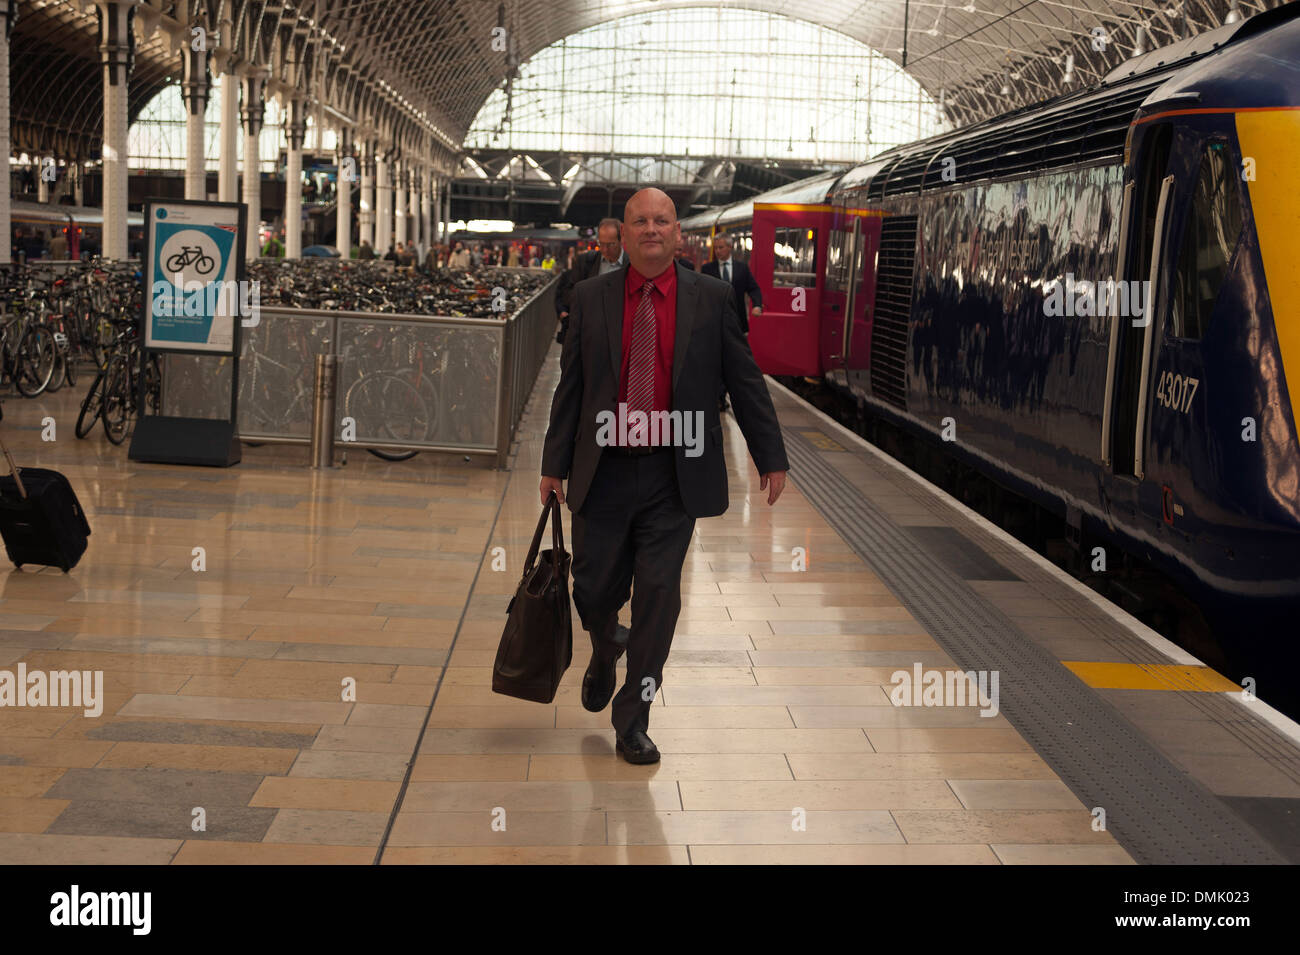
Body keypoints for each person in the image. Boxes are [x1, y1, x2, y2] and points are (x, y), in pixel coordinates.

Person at [539, 187, 789, 765]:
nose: (651, 229)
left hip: (673, 474)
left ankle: (634, 717)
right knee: (593, 590)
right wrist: (553, 466)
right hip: (600, 471)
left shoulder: (714, 298)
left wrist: (769, 453)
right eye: (640, 221)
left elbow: (744, 381)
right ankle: (604, 648)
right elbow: (570, 389)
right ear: (621, 235)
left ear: (678, 234)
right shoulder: (590, 295)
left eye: (662, 221)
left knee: (659, 595)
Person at [702, 234, 764, 412]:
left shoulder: (742, 269)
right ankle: (720, 397)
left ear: (729, 248)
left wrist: (757, 305)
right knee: (717, 361)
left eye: (721, 247)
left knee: (734, 362)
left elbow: (754, 288)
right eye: (716, 248)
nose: (718, 251)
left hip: (737, 325)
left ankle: (725, 395)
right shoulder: (708, 269)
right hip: (713, 323)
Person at [554, 218, 624, 345]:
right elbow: (569, 292)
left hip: (619, 334)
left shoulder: (633, 264)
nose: (605, 250)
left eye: (610, 245)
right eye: (601, 244)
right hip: (589, 333)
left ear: (621, 240)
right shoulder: (586, 262)